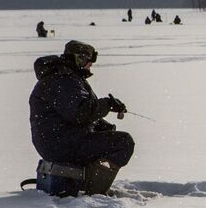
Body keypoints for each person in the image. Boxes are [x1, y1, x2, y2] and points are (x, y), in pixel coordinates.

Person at [28, 40, 135, 192]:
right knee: (124, 143)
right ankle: (90, 188)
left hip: (59, 141)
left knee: (108, 136)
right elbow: (79, 113)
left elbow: (71, 113)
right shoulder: (63, 79)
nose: (90, 66)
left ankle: (81, 180)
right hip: (61, 145)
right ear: (79, 59)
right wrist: (107, 104)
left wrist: (99, 124)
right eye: (88, 62)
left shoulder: (65, 77)